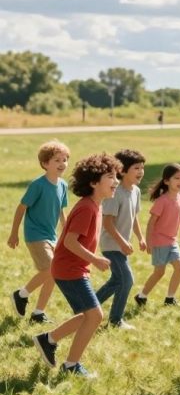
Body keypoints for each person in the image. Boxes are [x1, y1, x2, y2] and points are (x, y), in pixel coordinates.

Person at [32, 152, 122, 378]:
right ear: (93, 182)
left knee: (87, 315)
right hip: (69, 270)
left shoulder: (95, 205)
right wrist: (95, 259)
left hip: (74, 269)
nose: (116, 182)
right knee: (95, 316)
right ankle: (71, 365)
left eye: (116, 176)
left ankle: (48, 339)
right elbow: (70, 241)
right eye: (110, 177)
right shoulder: (87, 208)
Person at [9, 140, 70, 324]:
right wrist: (14, 233)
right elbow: (21, 208)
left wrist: (66, 234)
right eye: (57, 160)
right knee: (51, 268)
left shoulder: (63, 185)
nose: (62, 163)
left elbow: (61, 210)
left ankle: (38, 313)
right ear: (45, 164)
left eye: (65, 159)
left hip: (52, 235)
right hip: (35, 235)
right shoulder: (38, 185)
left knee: (54, 272)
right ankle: (21, 294)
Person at [95, 148, 147, 329]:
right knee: (127, 280)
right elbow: (107, 222)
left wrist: (140, 237)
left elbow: (134, 217)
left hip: (122, 245)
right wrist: (122, 242)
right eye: (136, 168)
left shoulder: (136, 191)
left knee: (117, 281)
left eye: (142, 167)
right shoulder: (114, 192)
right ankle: (116, 320)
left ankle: (86, 308)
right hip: (111, 244)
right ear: (123, 171)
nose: (141, 172)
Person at [134, 163, 180, 307]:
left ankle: (170, 298)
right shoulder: (162, 201)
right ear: (167, 181)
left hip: (172, 241)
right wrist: (149, 242)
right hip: (160, 242)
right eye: (177, 178)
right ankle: (142, 296)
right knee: (159, 272)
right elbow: (150, 223)